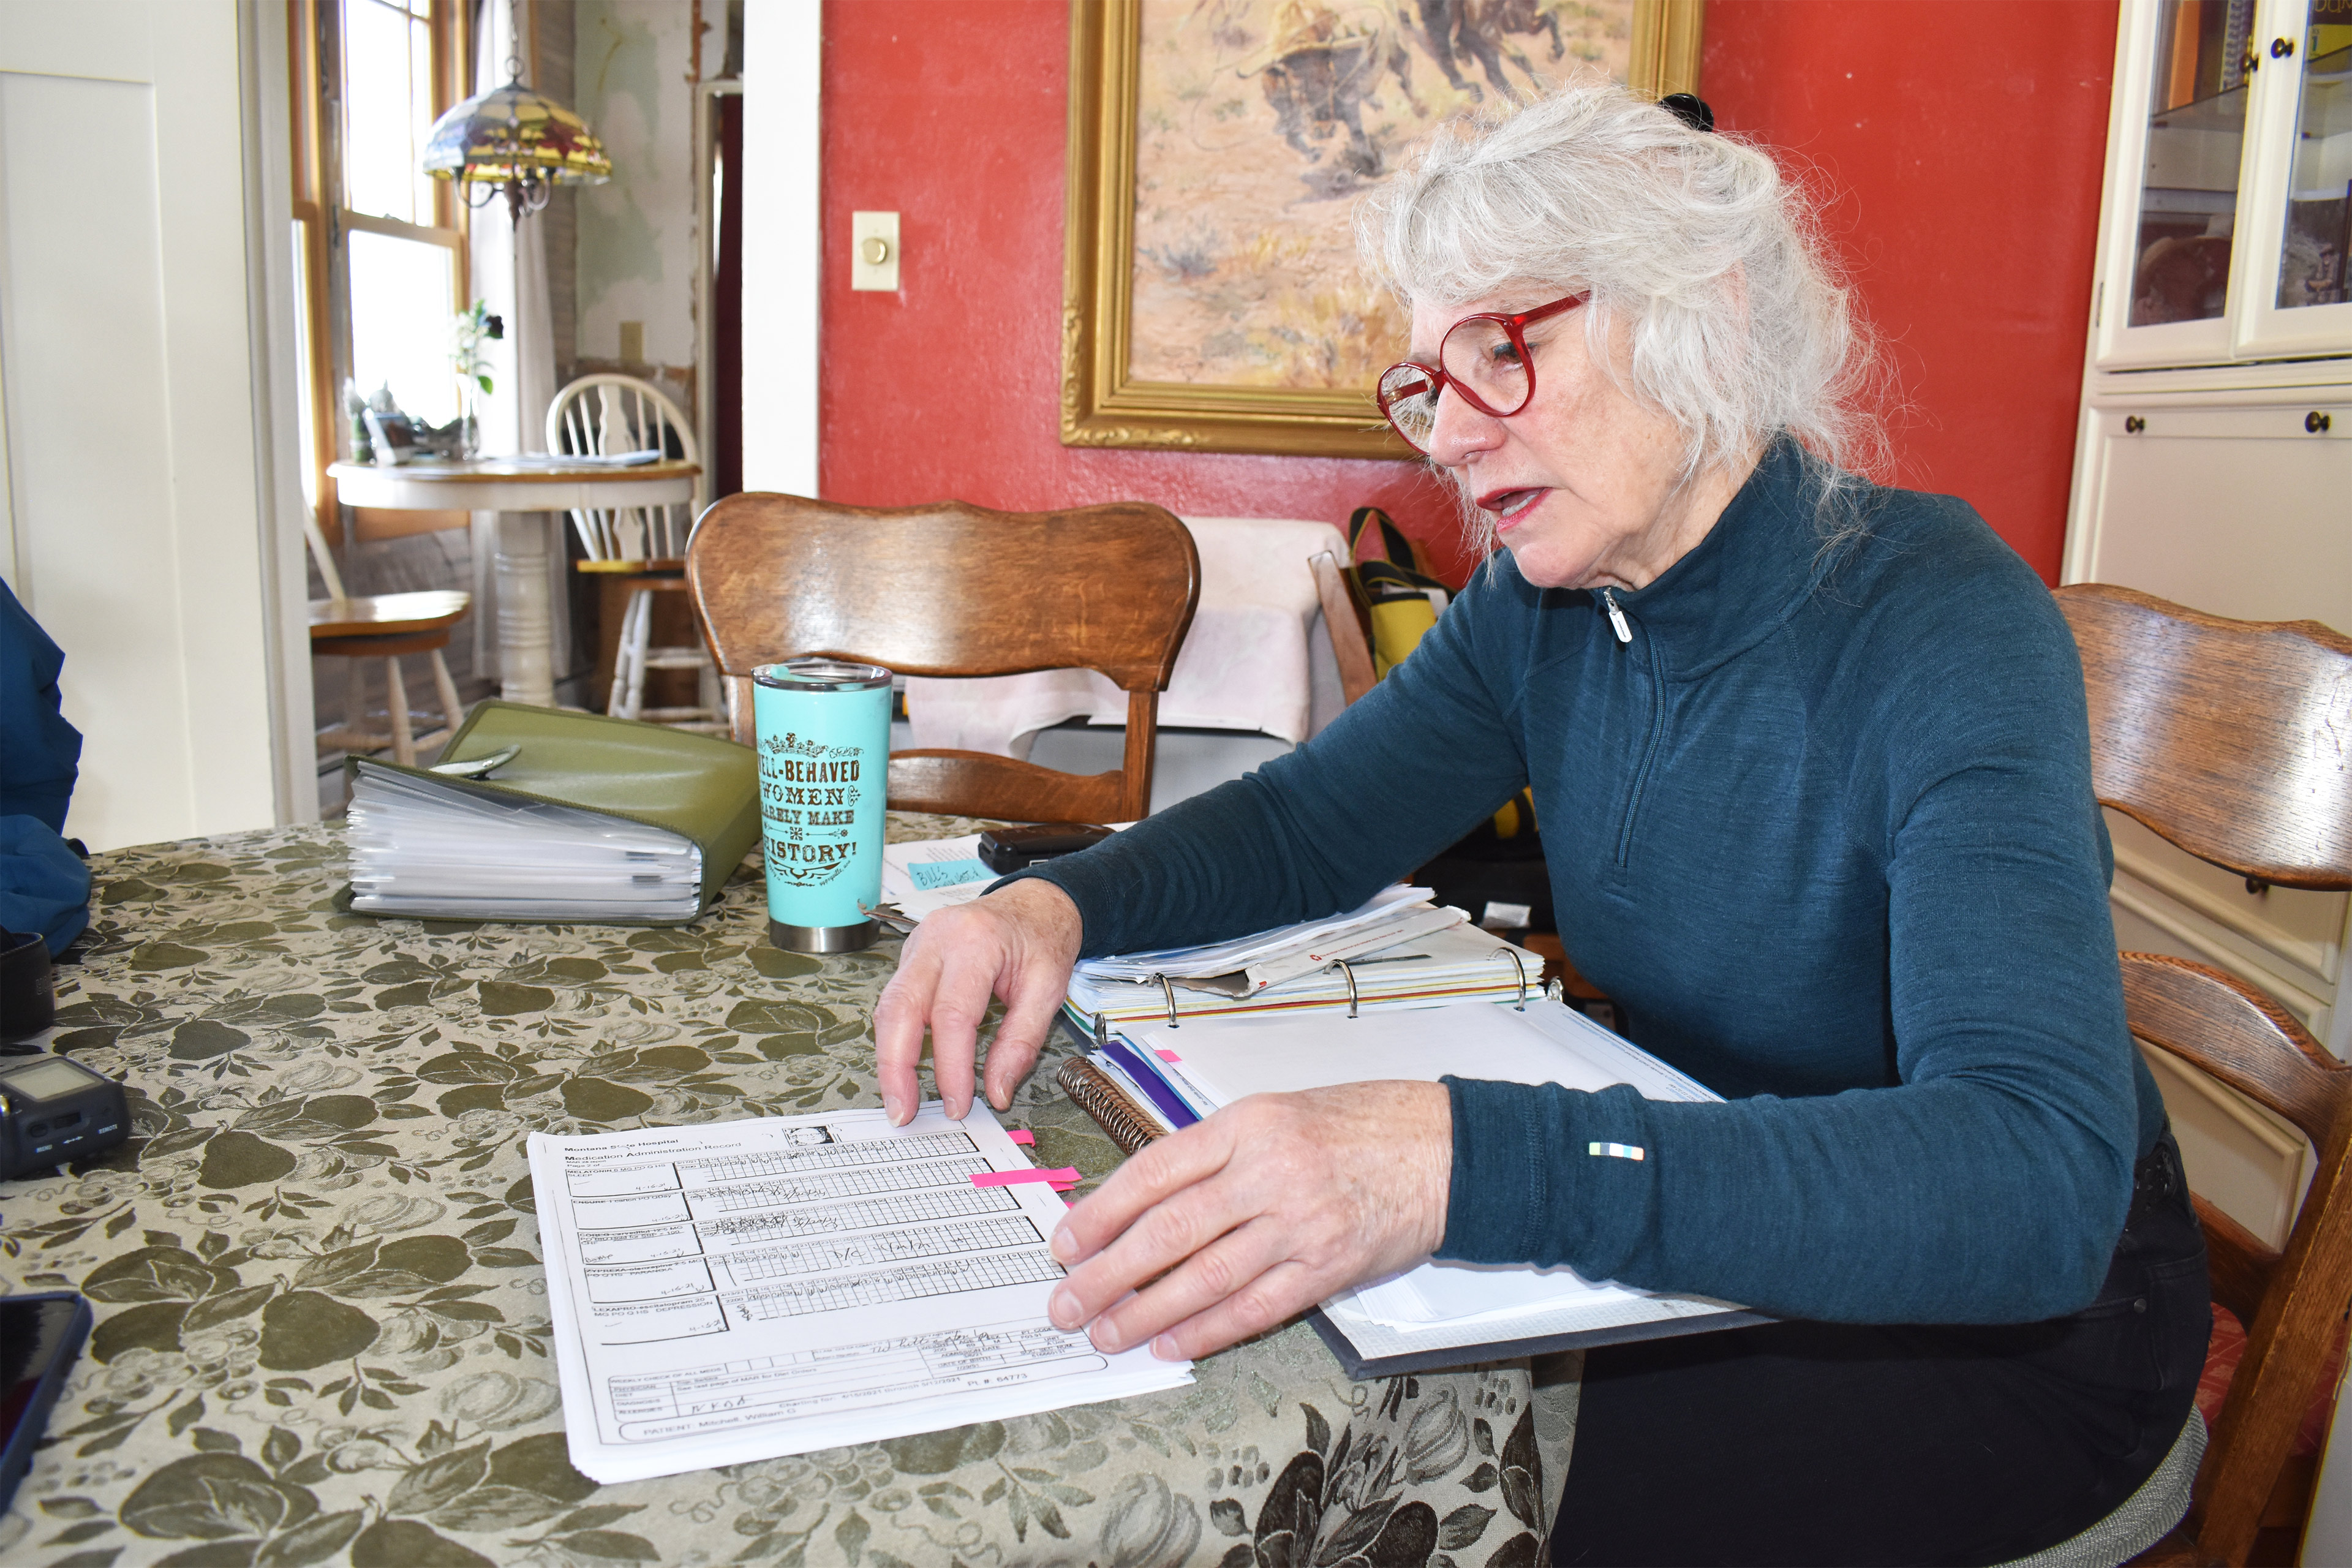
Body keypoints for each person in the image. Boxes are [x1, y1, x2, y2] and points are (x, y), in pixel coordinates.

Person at [874, 83, 2207, 1566]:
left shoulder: (1941, 622)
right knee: (1280, 1362)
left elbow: (2030, 1180)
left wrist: (1449, 1155)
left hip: (2000, 1336)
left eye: (1503, 351)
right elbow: (1311, 825)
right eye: (1430, 381)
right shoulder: (1550, 604)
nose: (1448, 434)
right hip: (1716, 1221)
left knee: (1406, 1483)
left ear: (1705, 307)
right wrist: (1050, 908)